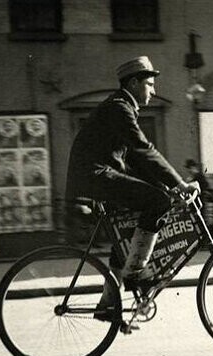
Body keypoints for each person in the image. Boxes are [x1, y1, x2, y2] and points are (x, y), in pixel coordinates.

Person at [65, 56, 197, 298]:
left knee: (124, 235)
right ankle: (136, 272)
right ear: (135, 83)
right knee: (157, 203)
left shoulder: (121, 108)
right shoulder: (119, 108)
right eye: (150, 84)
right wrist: (178, 184)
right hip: (95, 177)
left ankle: (108, 304)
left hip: (98, 176)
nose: (154, 90)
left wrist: (167, 186)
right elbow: (143, 149)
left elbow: (135, 160)